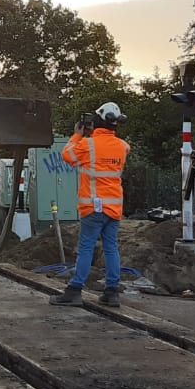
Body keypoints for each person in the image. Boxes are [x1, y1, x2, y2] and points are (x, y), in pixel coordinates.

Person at [50, 102, 131, 308]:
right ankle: (112, 292)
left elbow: (68, 155)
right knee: (111, 248)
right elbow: (120, 149)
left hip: (93, 207)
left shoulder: (88, 145)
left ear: (97, 121)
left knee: (86, 248)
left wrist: (78, 134)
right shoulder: (123, 147)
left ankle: (75, 289)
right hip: (114, 207)